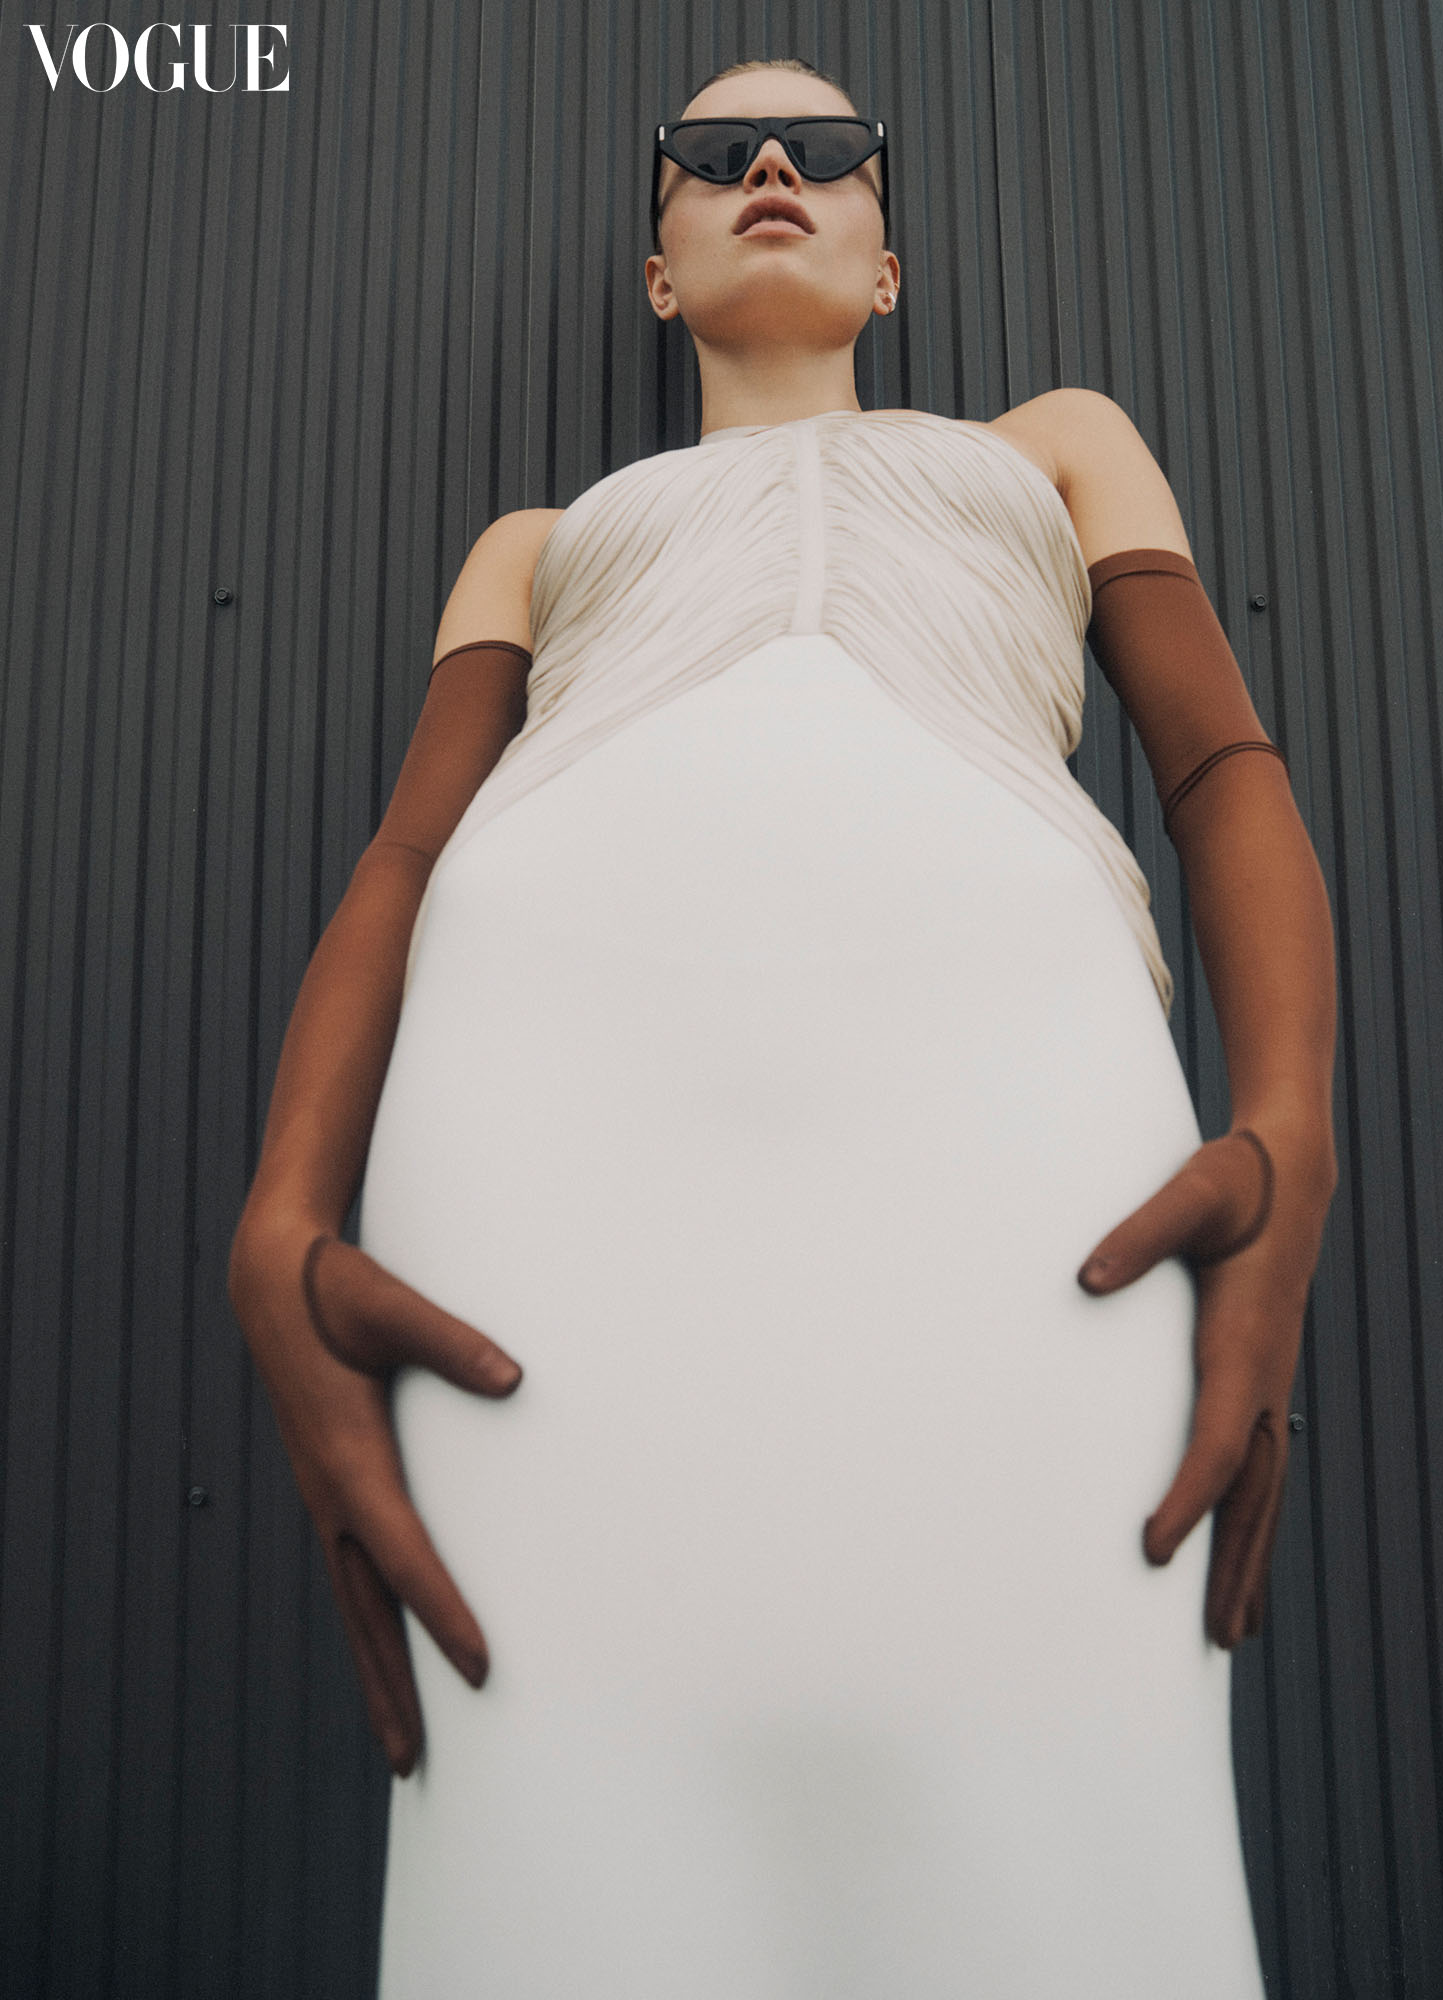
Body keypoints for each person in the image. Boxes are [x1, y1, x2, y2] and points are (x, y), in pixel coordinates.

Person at [229, 52, 1337, 1998]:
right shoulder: (540, 544)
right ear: (658, 269)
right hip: (537, 1206)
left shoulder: (1054, 449)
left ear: (883, 261)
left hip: (1025, 1174)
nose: (765, 164)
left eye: (824, 153)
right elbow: (400, 866)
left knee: (1068, 1831)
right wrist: (280, 1222)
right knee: (551, 1847)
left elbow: (1223, 769)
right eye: (711, 155)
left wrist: (1288, 1130)